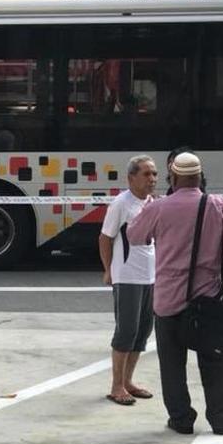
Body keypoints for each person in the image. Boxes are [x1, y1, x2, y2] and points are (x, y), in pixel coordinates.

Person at [128, 152, 223, 436]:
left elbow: (134, 236)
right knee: (216, 358)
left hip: (168, 300)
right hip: (209, 299)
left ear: (173, 177)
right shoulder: (219, 205)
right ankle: (222, 417)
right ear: (200, 177)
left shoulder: (159, 207)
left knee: (171, 363)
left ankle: (181, 419)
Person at [99, 155, 158, 406]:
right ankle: (116, 386)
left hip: (149, 276)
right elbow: (105, 237)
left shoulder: (153, 203)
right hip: (127, 276)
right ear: (131, 177)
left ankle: (128, 381)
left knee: (143, 330)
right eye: (146, 174)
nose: (152, 179)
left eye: (154, 174)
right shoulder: (121, 204)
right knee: (126, 330)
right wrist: (108, 269)